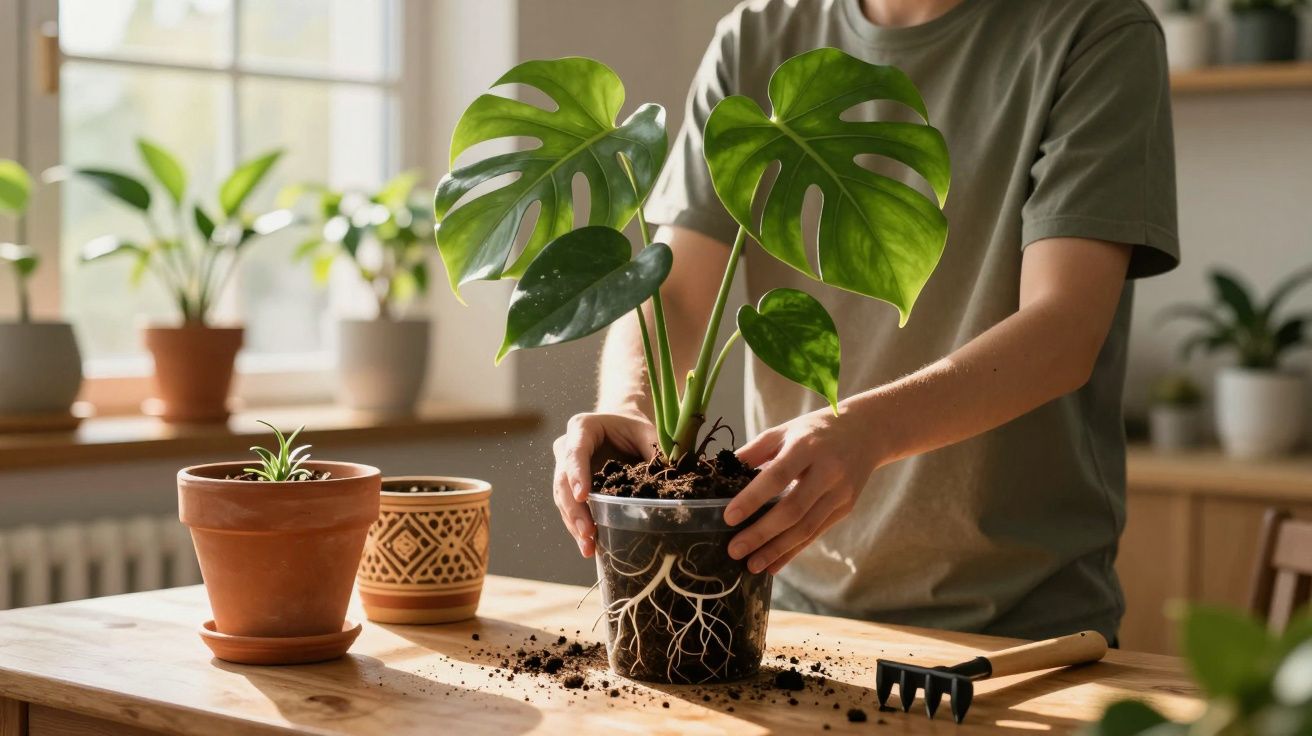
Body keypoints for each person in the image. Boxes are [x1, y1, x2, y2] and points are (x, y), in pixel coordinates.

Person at [552, 0, 1178, 643]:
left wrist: (864, 430)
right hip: (786, 598)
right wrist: (631, 407)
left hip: (1021, 624)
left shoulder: (1094, 28)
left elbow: (1065, 328)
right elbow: (678, 292)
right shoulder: (759, 35)